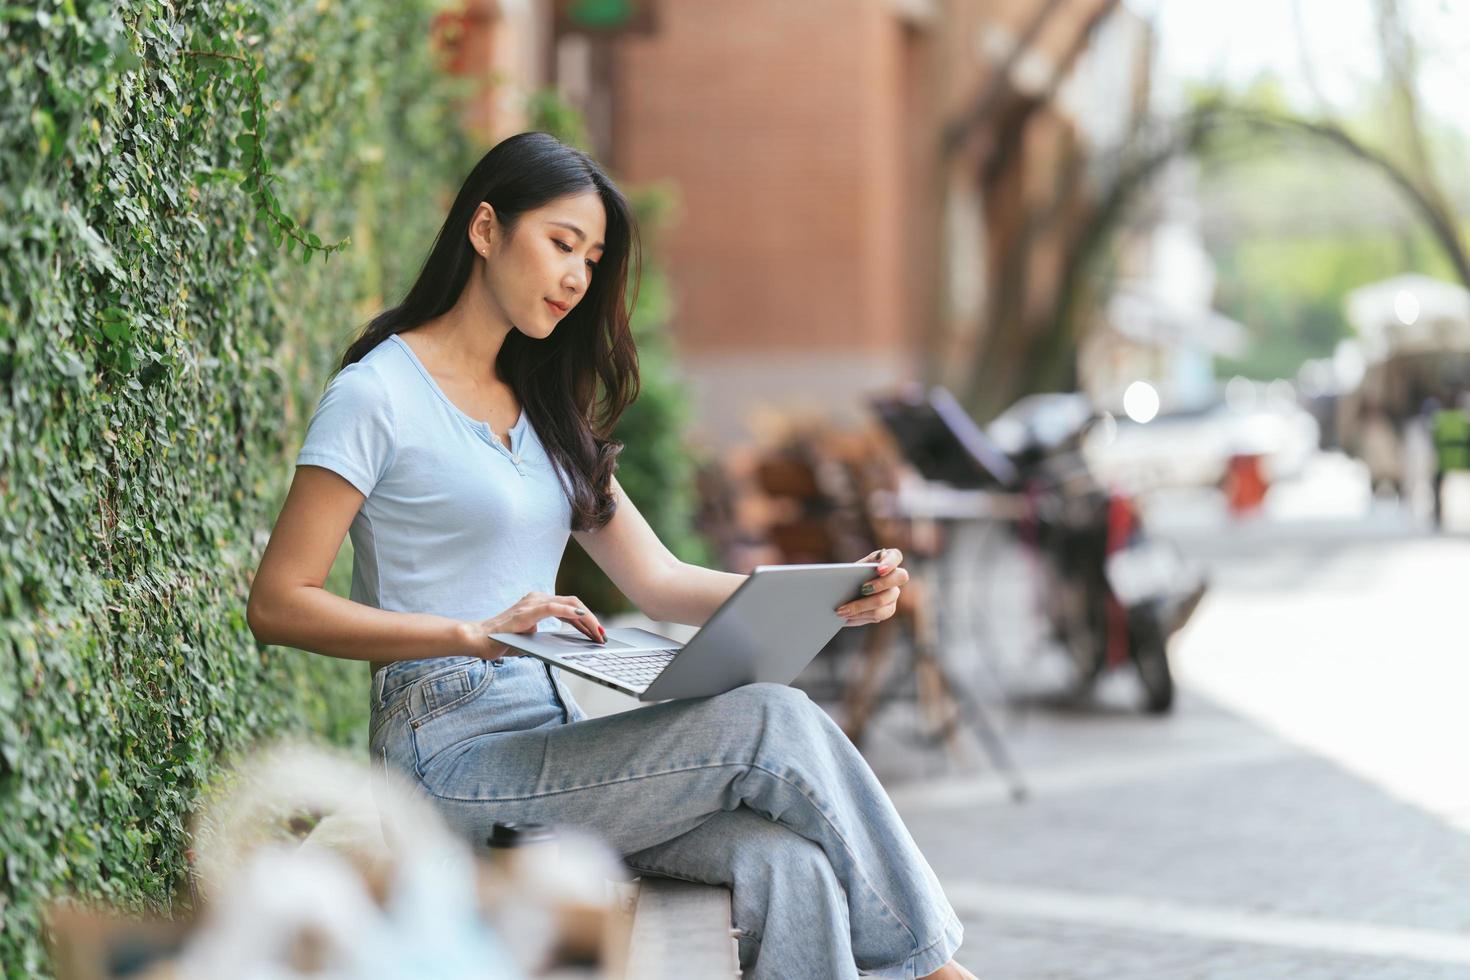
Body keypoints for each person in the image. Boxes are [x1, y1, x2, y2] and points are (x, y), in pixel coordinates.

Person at [245, 132, 973, 980]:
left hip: (554, 749)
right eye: (561, 244)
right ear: (484, 229)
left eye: (591, 259)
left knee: (789, 866)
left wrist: (830, 594)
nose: (577, 277)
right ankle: (934, 971)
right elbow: (279, 601)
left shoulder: (546, 411)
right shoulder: (377, 395)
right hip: (446, 763)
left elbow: (658, 579)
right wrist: (472, 633)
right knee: (771, 717)